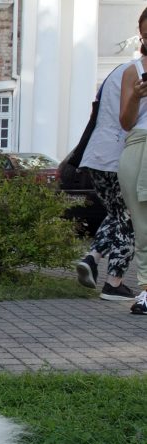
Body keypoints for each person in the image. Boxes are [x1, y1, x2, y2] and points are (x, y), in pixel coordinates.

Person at [75, 60, 136, 301]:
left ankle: (92, 258)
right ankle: (114, 282)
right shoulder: (137, 72)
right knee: (129, 217)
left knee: (117, 213)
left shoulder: (117, 71)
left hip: (96, 155)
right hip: (121, 154)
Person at [118, 7, 147, 315]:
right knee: (144, 226)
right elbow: (125, 122)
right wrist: (137, 96)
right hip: (139, 147)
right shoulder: (133, 71)